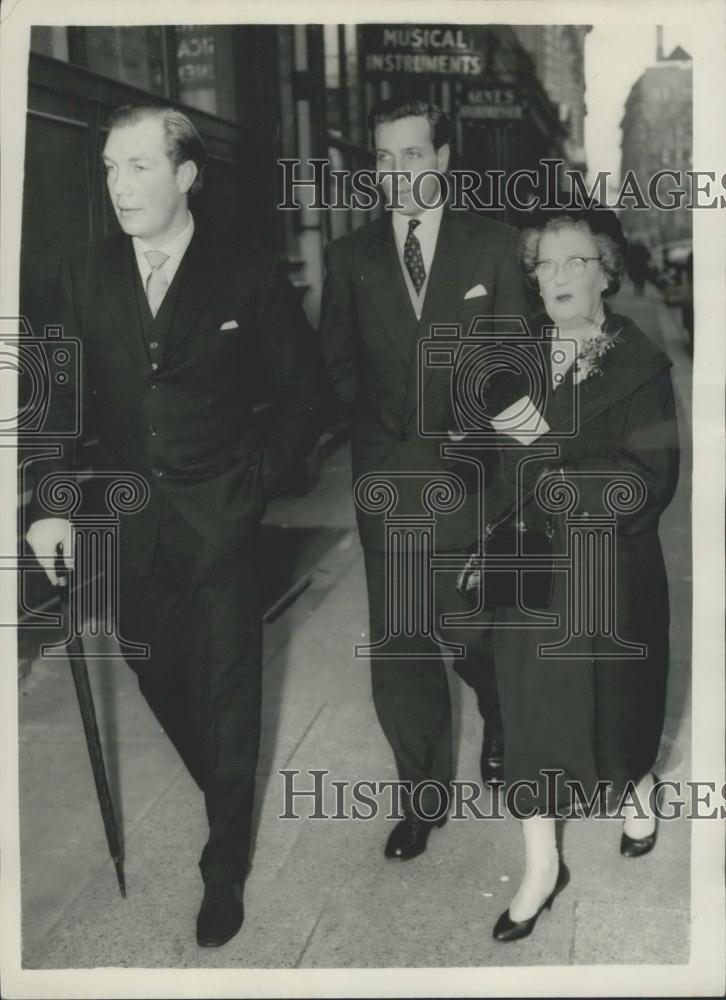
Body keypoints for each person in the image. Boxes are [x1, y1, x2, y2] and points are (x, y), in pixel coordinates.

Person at [25, 104, 320, 947]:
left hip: (219, 522)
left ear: (187, 174)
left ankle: (223, 866)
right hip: (125, 527)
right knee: (159, 678)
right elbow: (51, 403)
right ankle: (227, 790)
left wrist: (256, 481)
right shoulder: (77, 274)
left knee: (229, 694)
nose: (119, 186)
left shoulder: (248, 274)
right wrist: (49, 504)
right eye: (111, 168)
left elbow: (306, 396)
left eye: (139, 167)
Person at [318, 97, 531, 861]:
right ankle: (422, 794)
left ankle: (499, 716)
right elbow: (334, 369)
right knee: (401, 647)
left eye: (412, 155)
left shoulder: (496, 248)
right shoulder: (350, 259)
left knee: (473, 635)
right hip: (389, 485)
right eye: (384, 159)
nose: (399, 173)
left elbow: (516, 376)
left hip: (473, 486)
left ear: (441, 159)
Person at [478, 207, 679, 941]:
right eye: (544, 266)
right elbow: (493, 460)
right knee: (525, 711)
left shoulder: (640, 361)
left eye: (574, 263)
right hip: (524, 556)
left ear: (605, 273)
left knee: (616, 701)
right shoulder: (511, 358)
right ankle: (540, 865)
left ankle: (636, 787)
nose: (556, 278)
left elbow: (651, 474)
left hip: (608, 558)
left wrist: (553, 464)